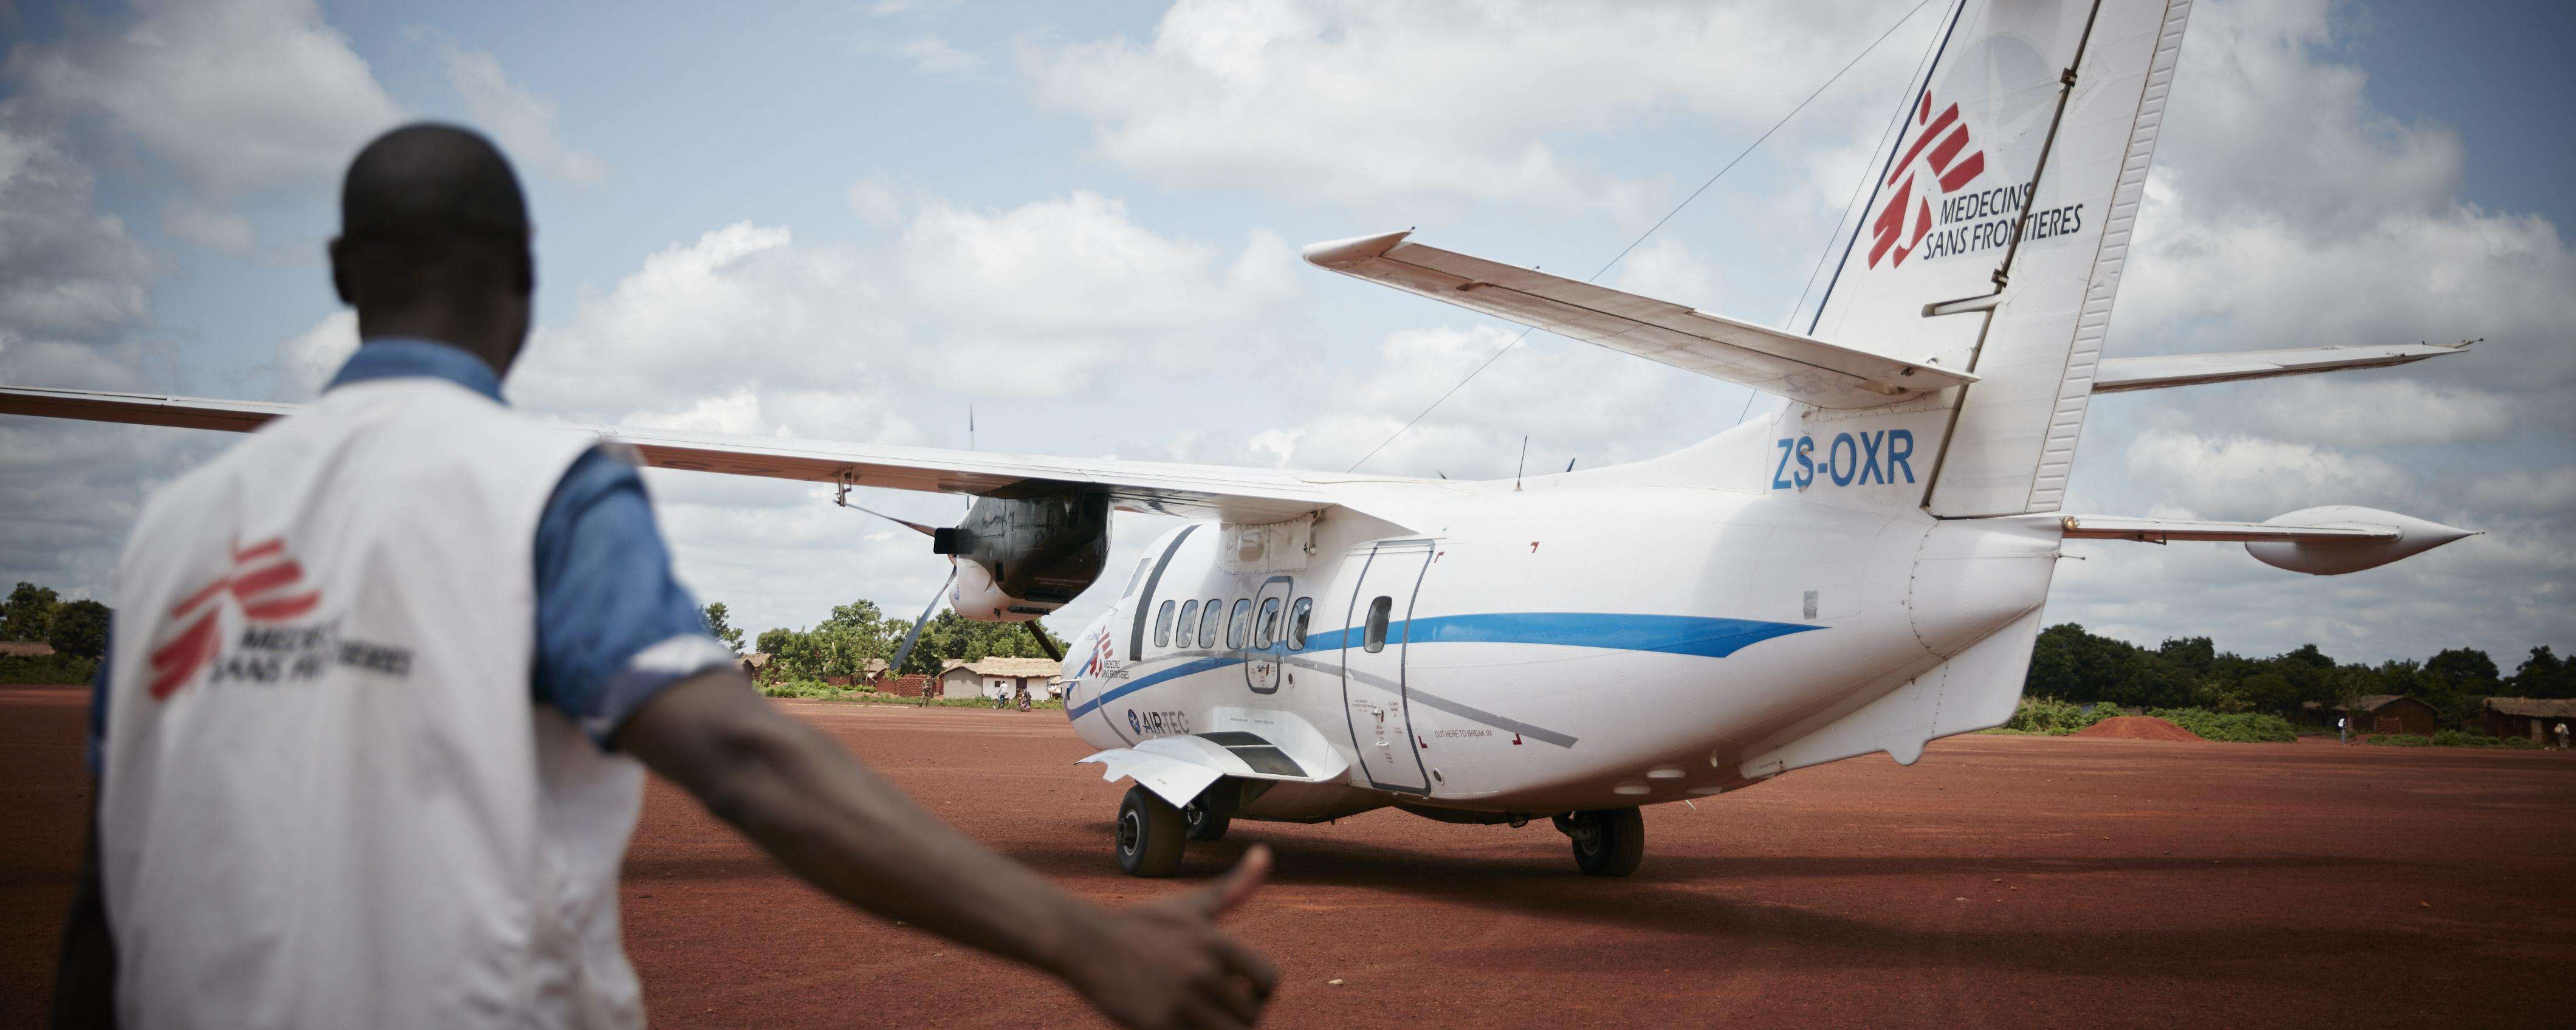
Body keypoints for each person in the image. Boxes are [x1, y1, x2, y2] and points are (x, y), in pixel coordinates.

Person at [52, 124, 1276, 1030]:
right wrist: (1077, 939)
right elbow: (742, 757)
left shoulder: (177, 527)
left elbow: (114, 883)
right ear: (527, 277)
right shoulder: (545, 488)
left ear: (339, 272)